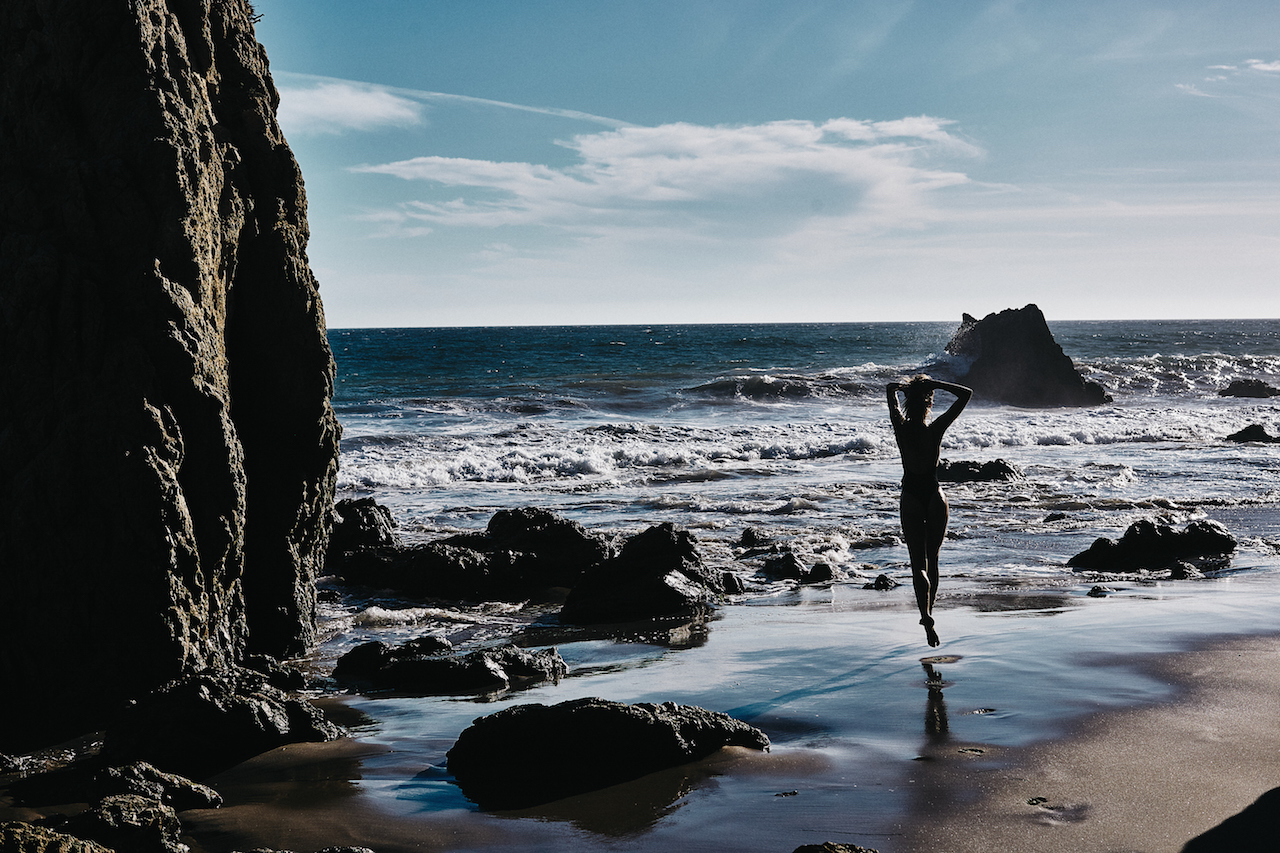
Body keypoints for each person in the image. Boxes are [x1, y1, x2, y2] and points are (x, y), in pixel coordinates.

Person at [886, 375, 972, 647]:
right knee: (932, 560)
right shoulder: (935, 429)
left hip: (911, 496)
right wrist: (936, 384)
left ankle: (925, 616)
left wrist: (900, 389)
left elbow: (890, 393)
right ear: (928, 403)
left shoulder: (900, 428)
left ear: (908, 402)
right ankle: (930, 610)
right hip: (934, 495)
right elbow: (966, 394)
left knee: (917, 564)